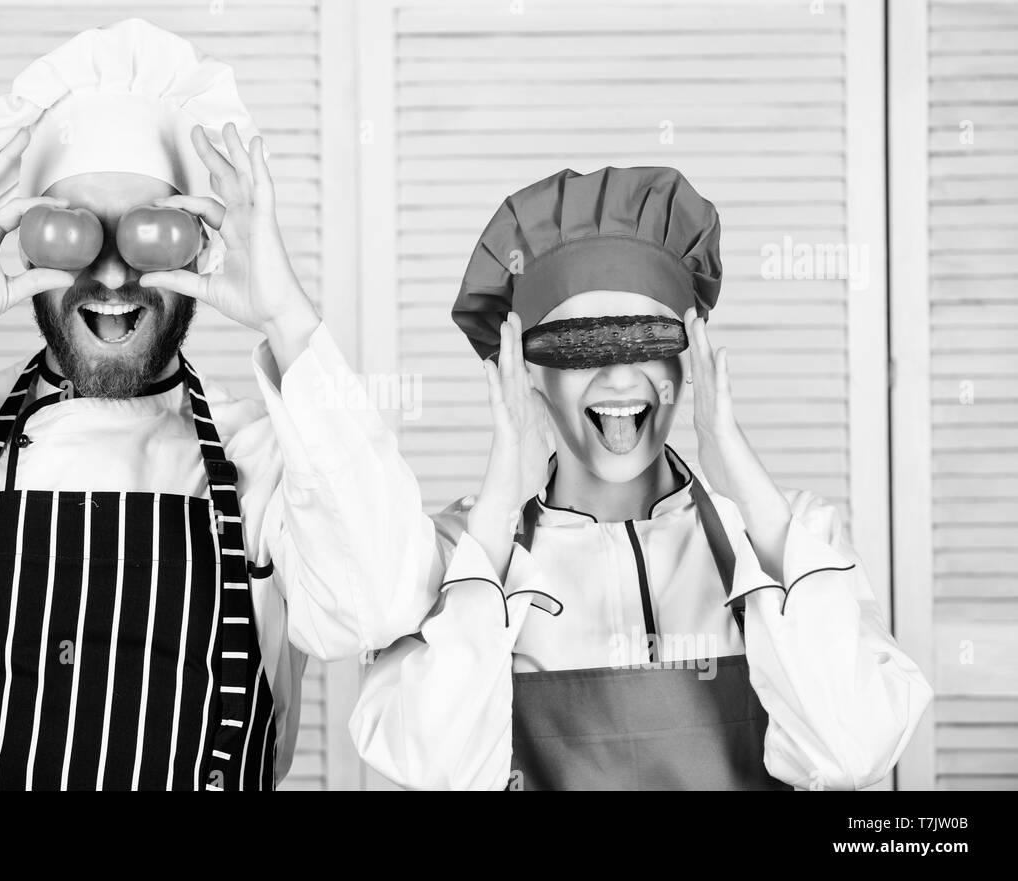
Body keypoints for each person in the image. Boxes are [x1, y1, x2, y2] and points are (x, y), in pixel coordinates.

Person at [0, 19, 435, 791]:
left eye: (151, 233)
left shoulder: (267, 460)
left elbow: (384, 601)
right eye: (74, 232)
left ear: (201, 248)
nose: (115, 275)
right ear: (29, 247)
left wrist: (289, 320)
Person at [349, 166, 933, 791]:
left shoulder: (788, 535)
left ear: (690, 356)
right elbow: (435, 770)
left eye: (649, 341)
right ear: (525, 372)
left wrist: (737, 470)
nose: (622, 379)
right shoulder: (450, 555)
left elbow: (855, 753)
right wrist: (495, 519)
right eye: (578, 348)